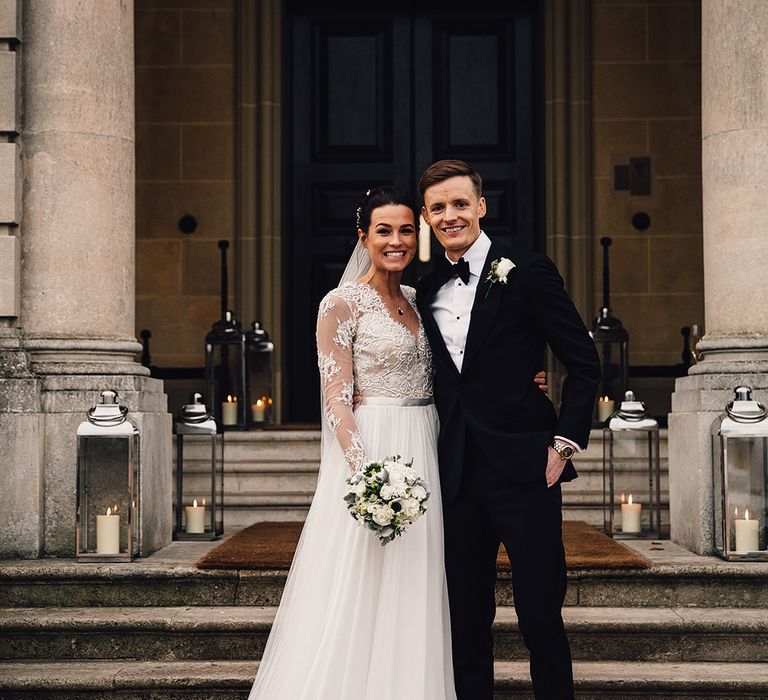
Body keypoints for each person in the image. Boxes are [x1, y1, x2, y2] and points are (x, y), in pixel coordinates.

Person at [249, 186, 549, 699]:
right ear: (362, 237)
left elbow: (466, 364)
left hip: (431, 446)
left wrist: (523, 382)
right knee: (366, 583)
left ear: (419, 235)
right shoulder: (340, 304)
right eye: (384, 231)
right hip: (375, 451)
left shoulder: (421, 298)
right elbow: (336, 399)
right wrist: (366, 473)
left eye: (407, 230)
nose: (396, 241)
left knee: (424, 578)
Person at [416, 160, 601, 699]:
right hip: (455, 470)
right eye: (437, 208)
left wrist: (563, 444)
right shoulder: (424, 289)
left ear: (480, 206)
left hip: (526, 466)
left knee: (540, 614)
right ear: (427, 218)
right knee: (466, 618)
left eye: (458, 204)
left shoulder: (527, 270)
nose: (449, 216)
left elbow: (584, 363)